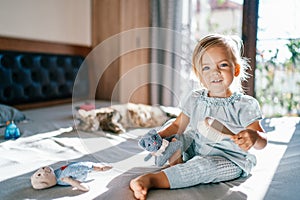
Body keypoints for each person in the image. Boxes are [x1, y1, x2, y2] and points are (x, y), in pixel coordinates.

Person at [130, 33, 267, 200]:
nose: (214, 72)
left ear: (236, 69)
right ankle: (176, 153)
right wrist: (158, 136)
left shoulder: (245, 104)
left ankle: (153, 179)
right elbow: (177, 125)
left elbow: (262, 142)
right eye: (206, 68)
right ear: (199, 74)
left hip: (229, 159)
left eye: (222, 65)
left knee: (204, 167)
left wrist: (254, 137)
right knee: (177, 127)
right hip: (196, 148)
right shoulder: (195, 98)